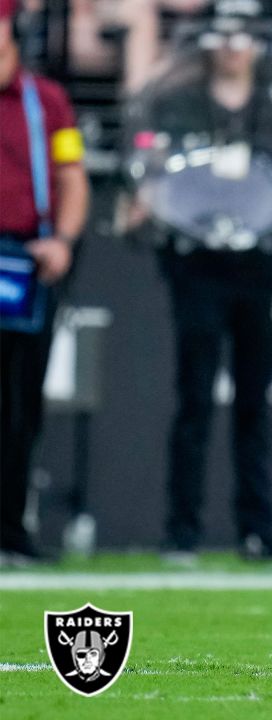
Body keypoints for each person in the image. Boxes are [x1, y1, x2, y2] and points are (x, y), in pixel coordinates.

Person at [124, 3, 272, 563]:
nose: (234, 45)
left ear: (260, 43)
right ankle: (181, 531)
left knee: (255, 401)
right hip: (196, 266)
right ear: (206, 41)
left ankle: (258, 530)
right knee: (195, 398)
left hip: (261, 267)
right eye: (223, 34)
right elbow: (148, 171)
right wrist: (148, 199)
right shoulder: (175, 100)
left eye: (245, 35)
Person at [0, 0, 90, 566]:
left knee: (20, 401)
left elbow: (72, 178)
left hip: (23, 264)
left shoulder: (46, 101)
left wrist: (63, 239)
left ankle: (10, 526)